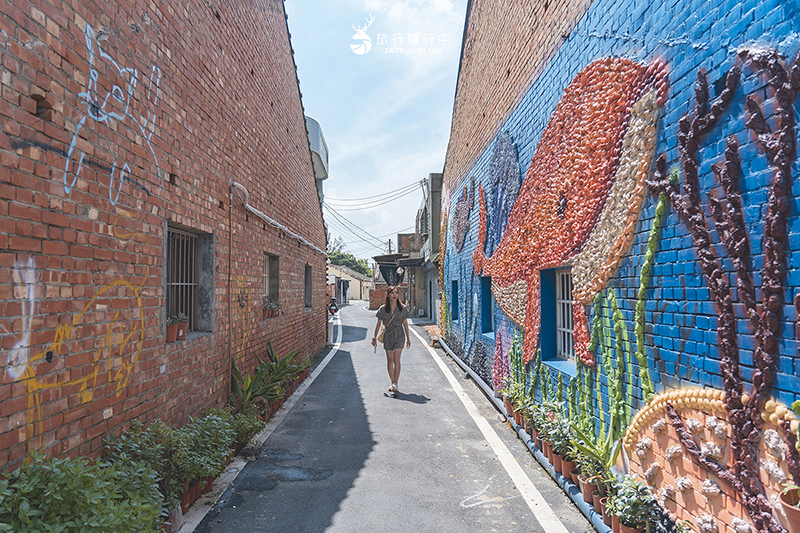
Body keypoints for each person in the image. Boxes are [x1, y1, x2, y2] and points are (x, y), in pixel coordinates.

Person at [371, 285, 411, 393]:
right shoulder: (383, 309)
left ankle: (395, 383)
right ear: (388, 295)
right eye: (392, 293)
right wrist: (374, 337)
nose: (395, 295)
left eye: (396, 293)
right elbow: (378, 324)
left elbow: (405, 324)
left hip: (399, 334)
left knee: (396, 358)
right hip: (388, 335)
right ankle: (392, 382)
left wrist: (408, 338)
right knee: (390, 360)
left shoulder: (402, 308)